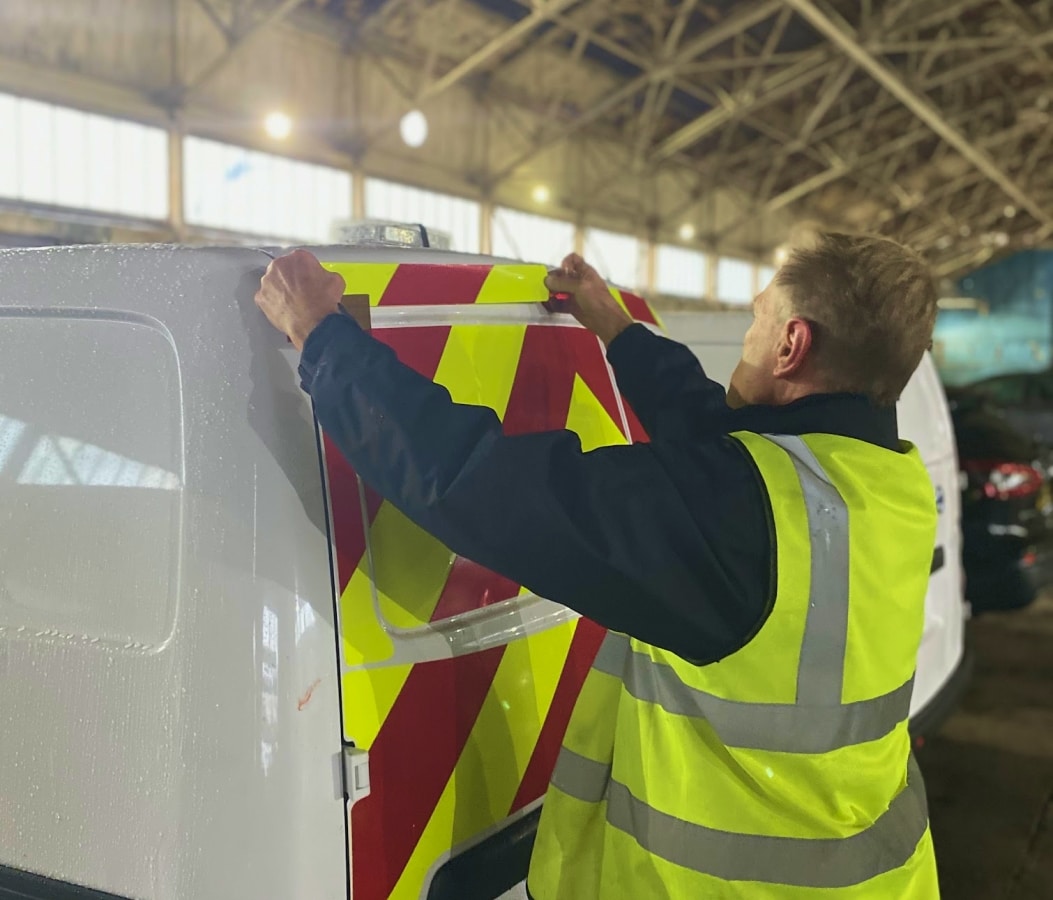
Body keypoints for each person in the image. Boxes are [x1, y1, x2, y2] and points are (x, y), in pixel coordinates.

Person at [255, 233, 941, 899]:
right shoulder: (882, 481)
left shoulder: (737, 517)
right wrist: (613, 326)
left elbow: (482, 485)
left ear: (792, 344)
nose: (747, 336)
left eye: (757, 318)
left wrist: (323, 340)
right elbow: (718, 433)